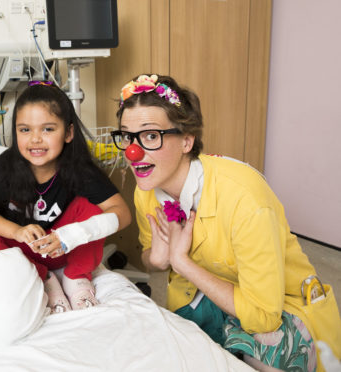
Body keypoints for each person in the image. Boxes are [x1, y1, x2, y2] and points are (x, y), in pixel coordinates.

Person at [111, 74, 338, 371]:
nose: (133, 151)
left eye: (151, 136)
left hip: (279, 305)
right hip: (202, 297)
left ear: (187, 141)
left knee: (267, 352)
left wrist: (182, 262)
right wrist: (154, 260)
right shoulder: (147, 192)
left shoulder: (244, 197)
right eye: (127, 136)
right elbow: (152, 256)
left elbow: (264, 317)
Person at [0, 81, 131, 314]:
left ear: (68, 133)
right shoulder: (6, 166)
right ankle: (43, 278)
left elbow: (122, 213)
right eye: (25, 130)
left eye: (47, 129)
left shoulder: (79, 169)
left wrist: (72, 234)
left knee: (95, 209)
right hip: (23, 252)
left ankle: (76, 277)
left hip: (64, 248)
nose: (35, 139)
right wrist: (16, 232)